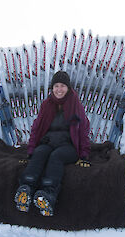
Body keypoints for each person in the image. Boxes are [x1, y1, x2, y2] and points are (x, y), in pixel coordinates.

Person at [14, 71, 91, 216]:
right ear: (52, 88)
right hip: (48, 142)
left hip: (68, 146)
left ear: (68, 88)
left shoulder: (75, 104)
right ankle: (26, 189)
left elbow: (83, 130)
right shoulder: (47, 104)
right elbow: (37, 128)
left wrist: (84, 154)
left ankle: (48, 194)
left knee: (56, 156)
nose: (59, 89)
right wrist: (31, 150)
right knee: (40, 153)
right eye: (56, 86)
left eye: (62, 86)